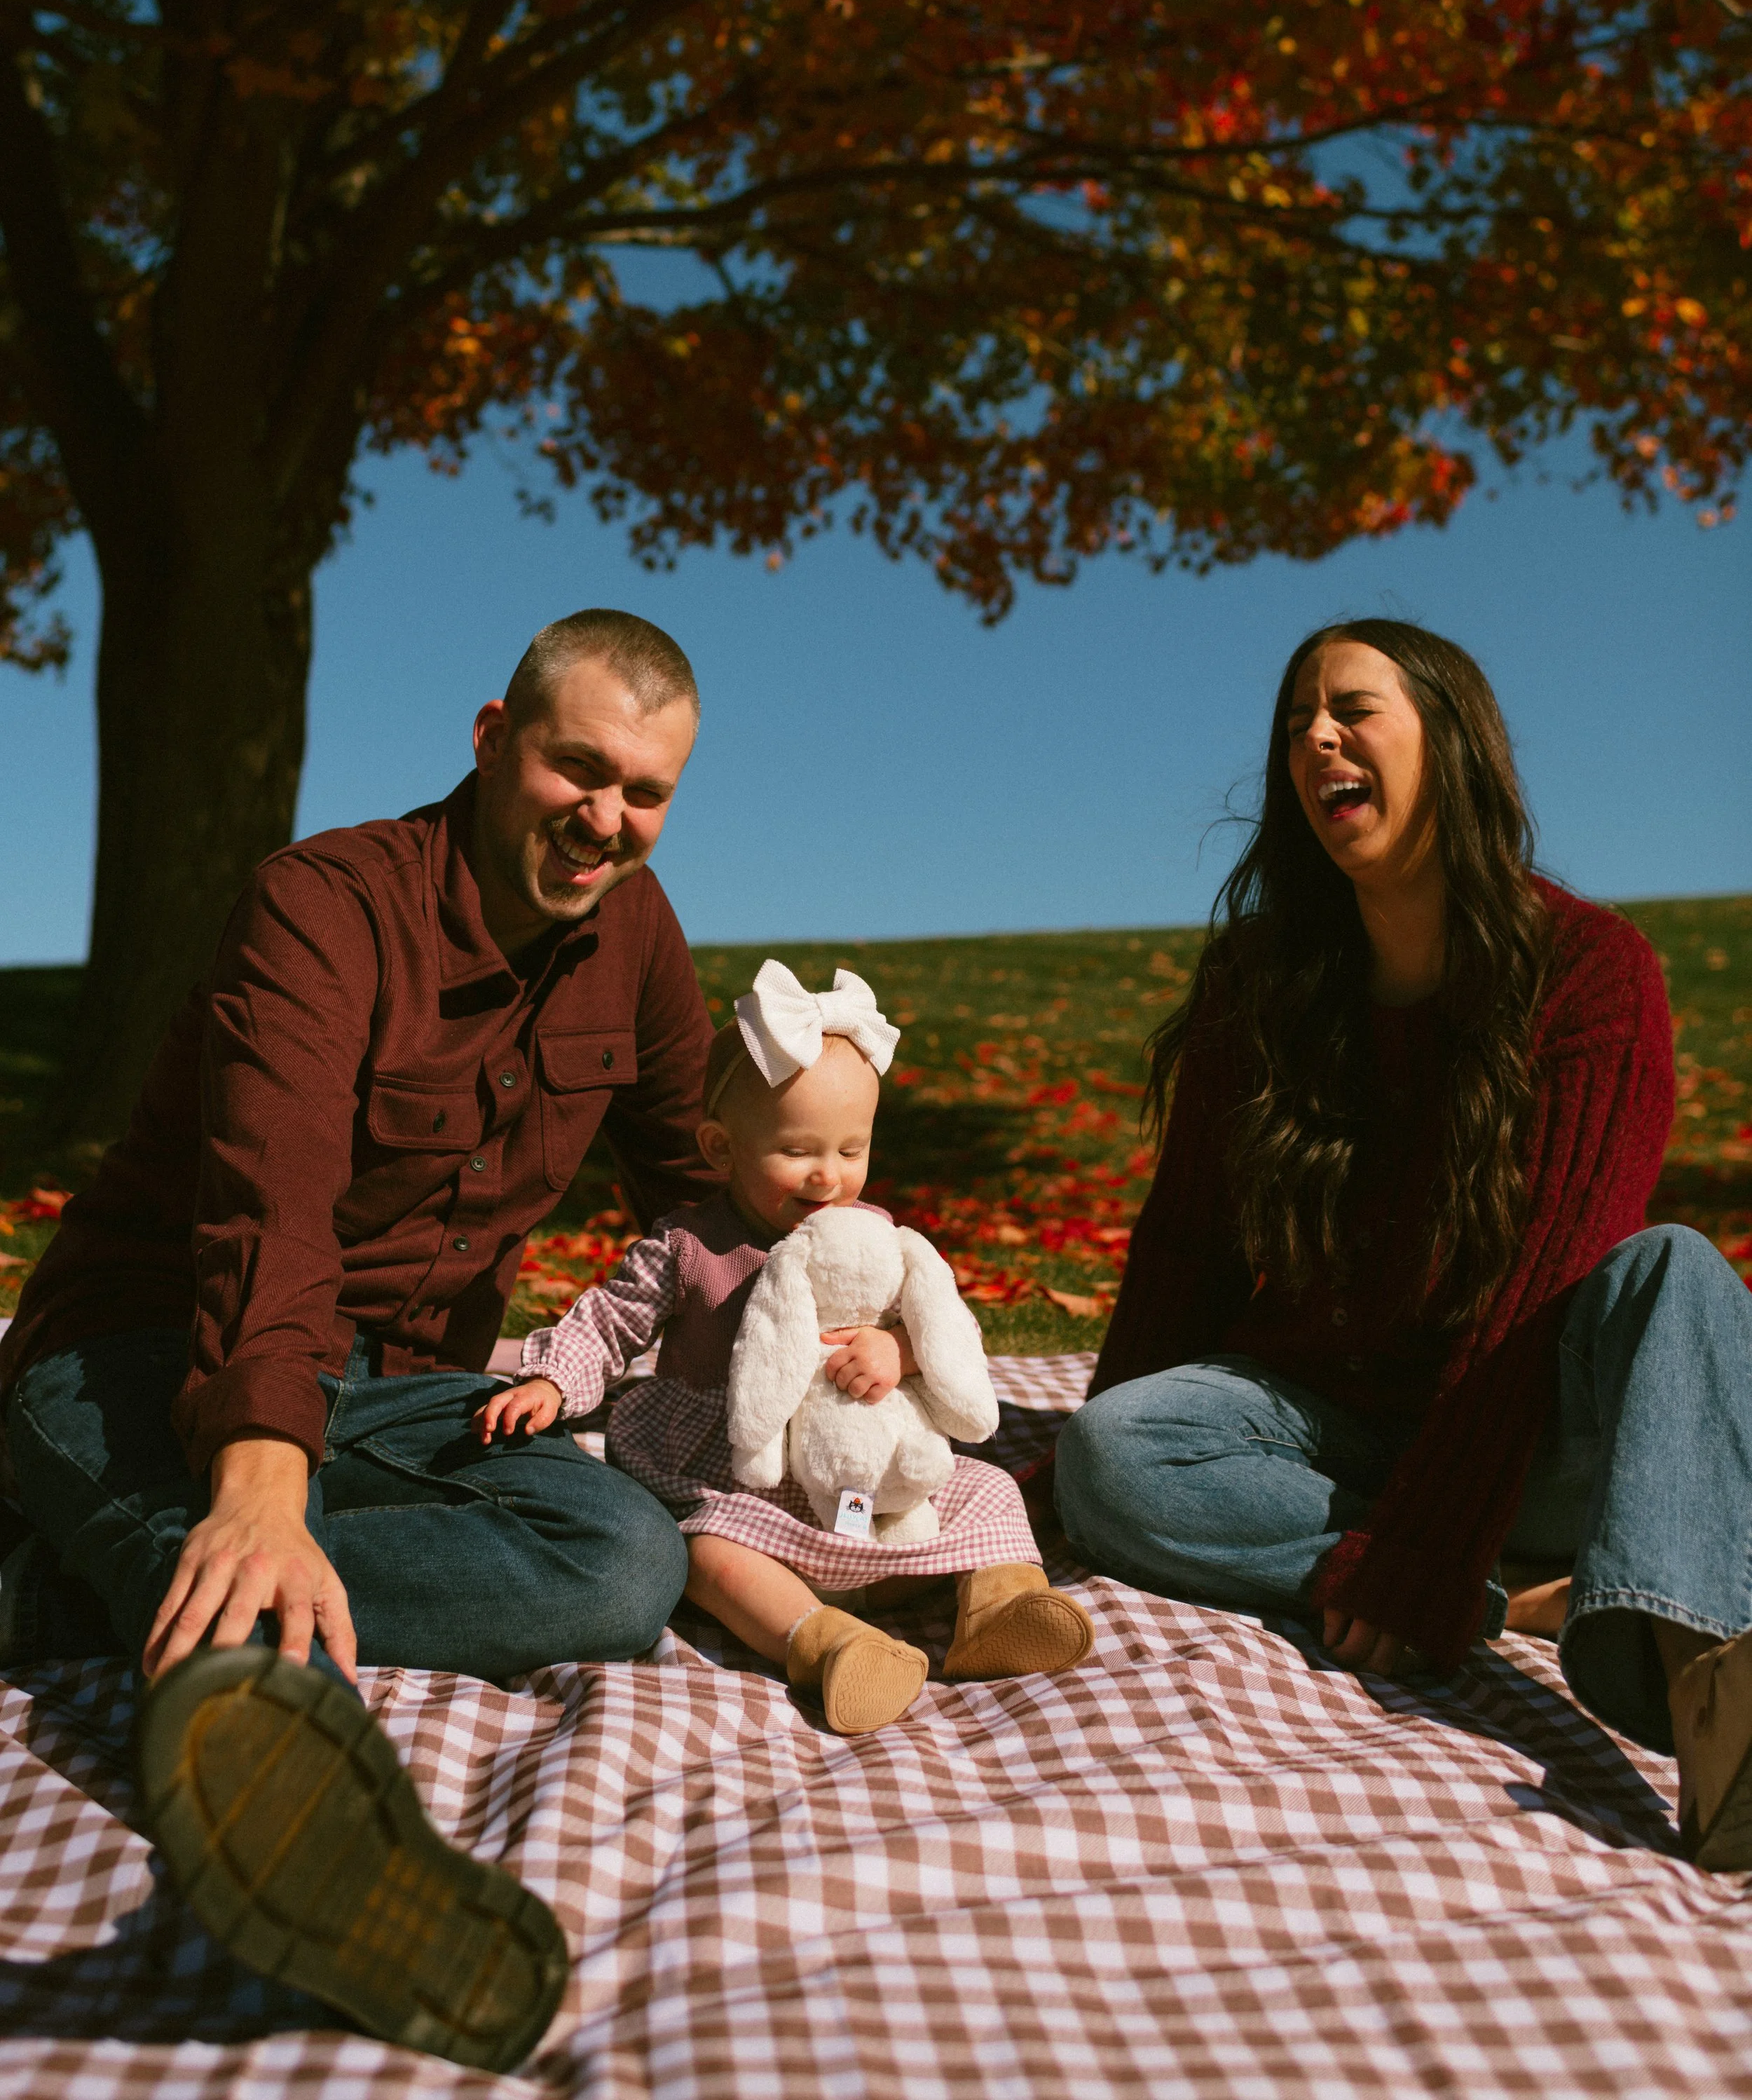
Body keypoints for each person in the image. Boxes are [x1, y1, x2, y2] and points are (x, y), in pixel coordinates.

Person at [0, 607, 725, 2064]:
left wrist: (837, 1308)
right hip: (148, 1347)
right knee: (256, 1537)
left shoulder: (633, 938)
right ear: (491, 738)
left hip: (408, 1393)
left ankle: (61, 1581)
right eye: (575, 769)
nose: (604, 821)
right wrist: (262, 1486)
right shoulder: (322, 904)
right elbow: (265, 1214)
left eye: (643, 792)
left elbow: (695, 1187)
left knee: (626, 1558)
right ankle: (306, 1836)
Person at [1054, 618, 1752, 1871]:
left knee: (1680, 1271)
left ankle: (1711, 1700)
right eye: (1294, 721)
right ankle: (1517, 1600)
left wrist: (1431, 1544)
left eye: (1352, 708)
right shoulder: (1262, 981)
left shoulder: (1593, 971)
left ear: (1453, 737)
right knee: (1110, 1453)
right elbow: (1186, 1250)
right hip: (1331, 1426)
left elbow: (1543, 1292)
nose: (1313, 735)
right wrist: (1068, 1506)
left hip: (1532, 1418)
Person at [481, 960, 1093, 1733]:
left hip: (872, 1482)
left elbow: (953, 1330)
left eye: (850, 1150)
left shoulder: (877, 1240)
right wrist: (553, 1383)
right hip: (738, 1477)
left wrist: (901, 1349)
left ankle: (999, 1609)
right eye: (798, 1151)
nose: (828, 1177)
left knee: (990, 1491)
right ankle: (824, 1644)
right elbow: (610, 1322)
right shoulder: (688, 1245)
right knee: (702, 1556)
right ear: (720, 1147)